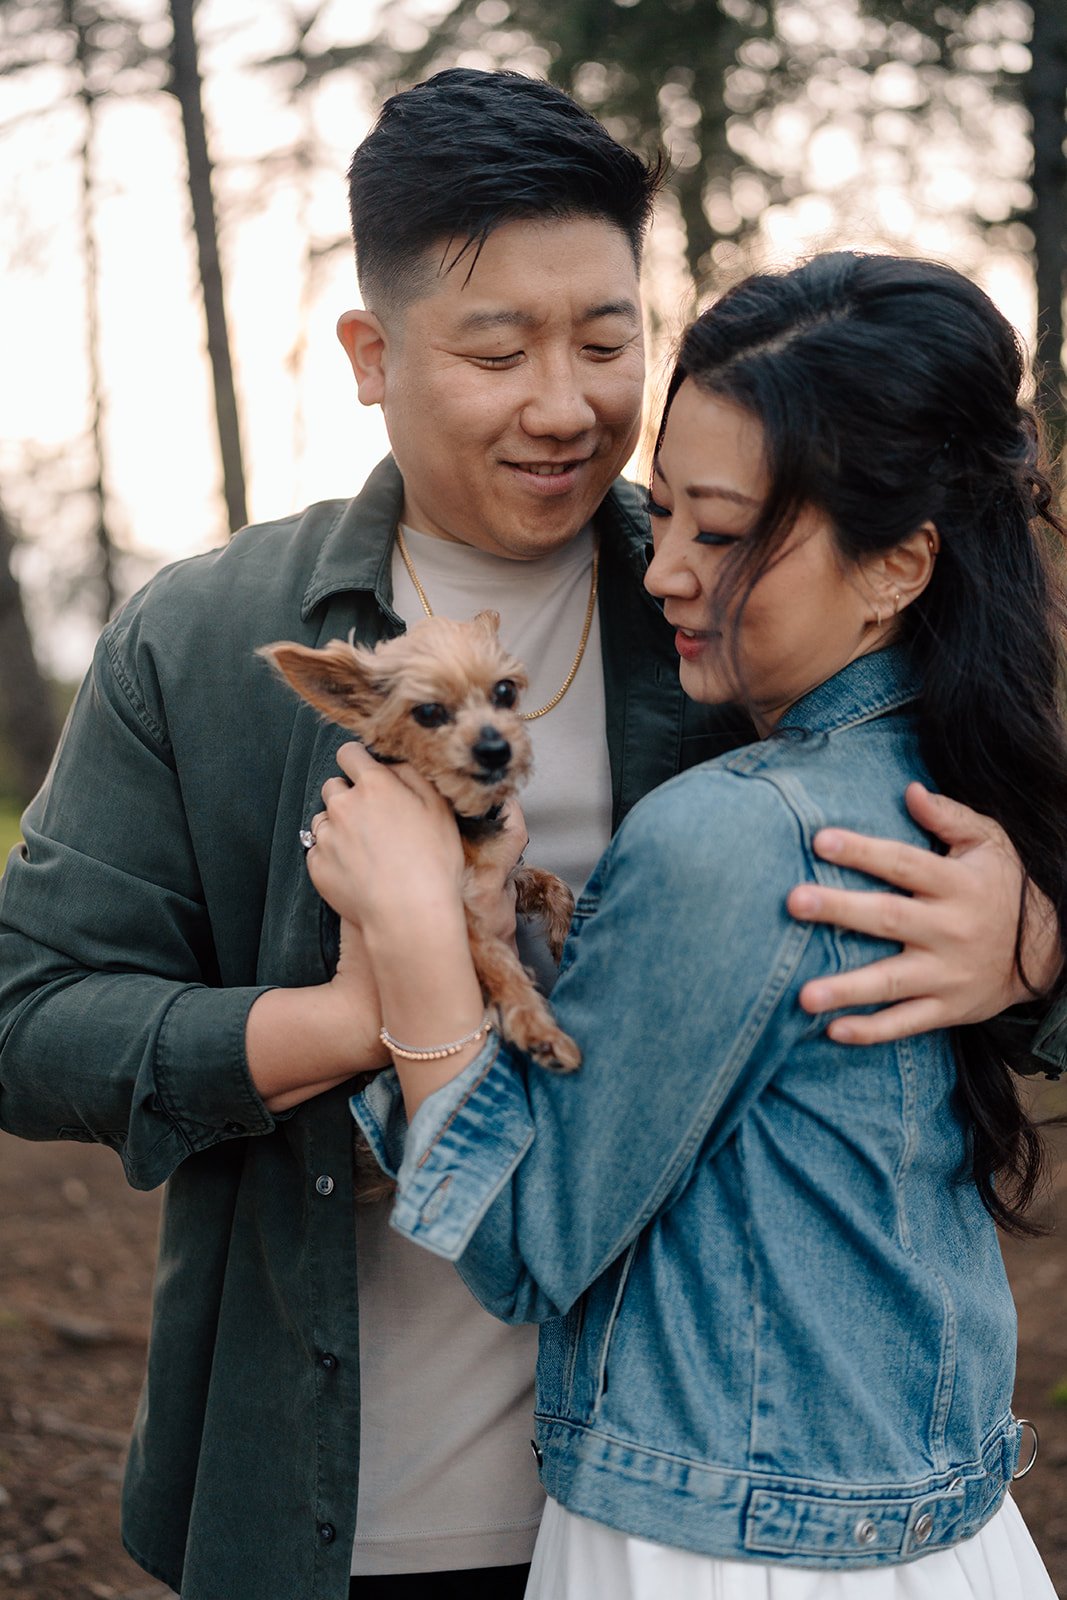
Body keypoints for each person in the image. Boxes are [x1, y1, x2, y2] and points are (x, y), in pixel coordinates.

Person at [0, 70, 1059, 1600]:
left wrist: (1034, 939)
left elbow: (951, 778)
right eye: (496, 349)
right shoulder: (201, 638)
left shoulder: (741, 599)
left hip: (696, 1485)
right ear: (370, 355)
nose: (565, 404)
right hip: (331, 1497)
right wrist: (350, 1017)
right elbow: (31, 1020)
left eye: (608, 338)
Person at [308, 252, 1065, 1598]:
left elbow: (532, 1243)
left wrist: (419, 945)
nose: (661, 569)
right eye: (663, 514)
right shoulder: (959, 771)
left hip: (718, 1549)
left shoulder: (736, 830)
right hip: (944, 1535)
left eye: (719, 534)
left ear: (899, 565)